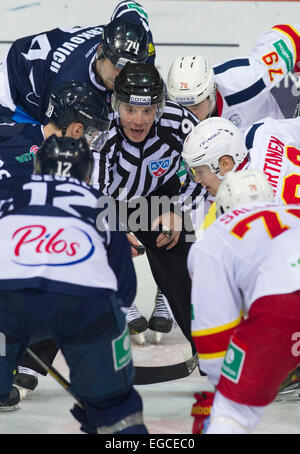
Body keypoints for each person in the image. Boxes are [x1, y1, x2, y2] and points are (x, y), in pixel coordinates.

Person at [0, 134, 147, 434]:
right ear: (88, 173)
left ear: (38, 167)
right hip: (86, 306)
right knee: (115, 410)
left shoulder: (8, 193)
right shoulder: (102, 204)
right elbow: (124, 290)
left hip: (8, 304)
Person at [0, 80, 111, 406]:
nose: (92, 141)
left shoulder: (14, 129)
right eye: (91, 132)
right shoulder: (61, 169)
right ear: (76, 129)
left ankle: (16, 363)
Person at [188, 169, 300, 434]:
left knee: (232, 413)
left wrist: (224, 390)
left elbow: (214, 332)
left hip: (283, 304)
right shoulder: (293, 210)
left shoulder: (215, 236)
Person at [99, 61, 202, 351]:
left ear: (159, 106)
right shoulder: (100, 126)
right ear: (116, 103)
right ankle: (25, 361)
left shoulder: (179, 123)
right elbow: (90, 191)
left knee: (184, 262)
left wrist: (179, 211)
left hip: (159, 201)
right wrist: (114, 229)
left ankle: (210, 350)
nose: (138, 120)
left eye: (147, 110)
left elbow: (204, 170)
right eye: (130, 109)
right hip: (109, 202)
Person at [0, 2, 153, 124]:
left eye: (131, 67)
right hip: (13, 92)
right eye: (117, 66)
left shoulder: (138, 41)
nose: (123, 76)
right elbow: (57, 141)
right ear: (100, 52)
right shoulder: (69, 85)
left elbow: (129, 7)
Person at [167, 24, 300, 129]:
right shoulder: (167, 116)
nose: (188, 115)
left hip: (272, 148)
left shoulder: (246, 80)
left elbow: (292, 36)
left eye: (195, 106)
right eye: (181, 108)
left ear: (212, 91)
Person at [181, 115, 300, 208]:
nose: (197, 179)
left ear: (225, 164)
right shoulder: (261, 130)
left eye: (199, 171)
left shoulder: (242, 203)